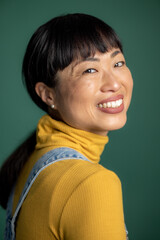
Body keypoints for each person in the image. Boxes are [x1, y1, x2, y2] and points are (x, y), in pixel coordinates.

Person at [0, 13, 133, 240]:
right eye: (89, 70)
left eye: (118, 63)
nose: (114, 83)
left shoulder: (33, 157)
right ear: (48, 94)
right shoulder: (92, 184)